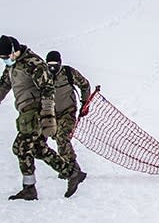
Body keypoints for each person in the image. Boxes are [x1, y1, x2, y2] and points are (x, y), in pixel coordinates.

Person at [0, 35, 86, 200]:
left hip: (37, 113)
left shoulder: (34, 63)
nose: (4, 60)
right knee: (39, 149)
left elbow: (47, 88)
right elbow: (3, 86)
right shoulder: (12, 67)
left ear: (13, 51)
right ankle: (71, 173)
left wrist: (47, 116)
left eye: (5, 56)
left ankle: (29, 189)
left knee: (20, 148)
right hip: (25, 113)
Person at [46, 51, 92, 176]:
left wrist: (85, 102)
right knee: (54, 139)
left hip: (68, 111)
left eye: (55, 64)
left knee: (62, 138)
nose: (52, 67)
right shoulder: (43, 75)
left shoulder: (68, 73)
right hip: (50, 114)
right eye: (49, 64)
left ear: (60, 63)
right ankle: (66, 166)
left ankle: (73, 168)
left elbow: (84, 84)